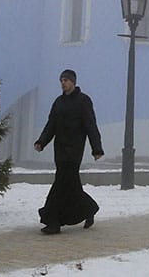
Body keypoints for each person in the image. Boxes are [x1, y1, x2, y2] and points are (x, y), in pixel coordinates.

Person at [34, 68, 104, 234]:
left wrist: (97, 148)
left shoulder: (83, 101)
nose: (63, 83)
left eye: (66, 80)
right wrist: (42, 141)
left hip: (74, 151)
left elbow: (90, 125)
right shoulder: (58, 102)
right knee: (71, 186)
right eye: (61, 80)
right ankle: (89, 208)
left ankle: (52, 221)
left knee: (60, 184)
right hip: (60, 149)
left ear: (73, 81)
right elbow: (51, 125)